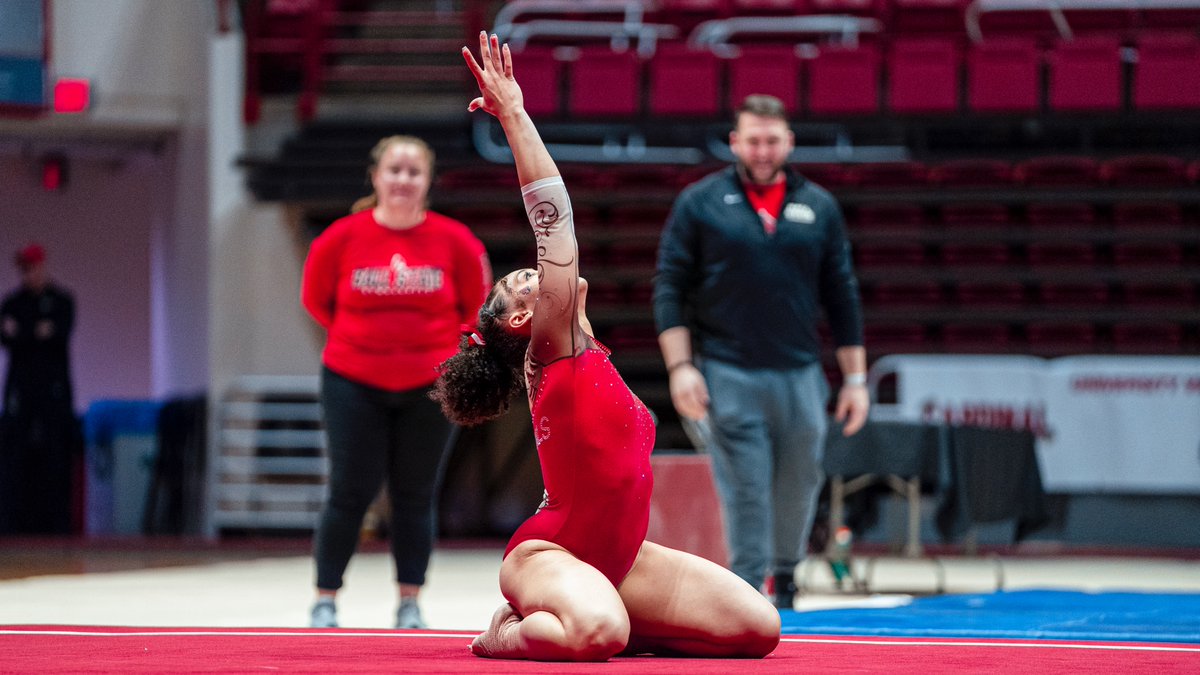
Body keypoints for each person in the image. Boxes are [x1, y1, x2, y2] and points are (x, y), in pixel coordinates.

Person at [429, 33, 780, 661]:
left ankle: (606, 608)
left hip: (623, 558)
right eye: (524, 283)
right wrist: (513, 113)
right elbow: (553, 218)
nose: (537, 274)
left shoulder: (586, 353)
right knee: (597, 636)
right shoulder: (550, 348)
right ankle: (503, 631)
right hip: (549, 555)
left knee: (758, 629)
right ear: (523, 322)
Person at [653, 94, 870, 609]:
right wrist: (681, 368)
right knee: (745, 485)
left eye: (773, 140)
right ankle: (749, 587)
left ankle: (789, 577)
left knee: (800, 479)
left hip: (800, 371)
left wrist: (857, 381)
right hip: (729, 368)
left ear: (789, 141)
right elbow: (669, 288)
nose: (763, 150)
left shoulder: (818, 206)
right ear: (735, 142)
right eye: (753, 140)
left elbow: (842, 295)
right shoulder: (700, 203)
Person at [300, 133, 492, 629]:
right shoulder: (340, 238)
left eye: (413, 172)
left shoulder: (456, 241)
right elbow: (316, 302)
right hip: (352, 379)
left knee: (415, 493)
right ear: (376, 176)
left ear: (428, 181)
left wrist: (436, 353)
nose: (403, 180)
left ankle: (409, 601)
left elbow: (478, 309)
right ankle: (326, 599)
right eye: (394, 170)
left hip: (430, 385)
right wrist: (365, 343)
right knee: (348, 490)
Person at [0, 243, 78, 534]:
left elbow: (57, 334)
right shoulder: (12, 302)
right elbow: (8, 337)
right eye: (23, 269)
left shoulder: (61, 301)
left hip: (53, 394)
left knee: (55, 458)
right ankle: (11, 527)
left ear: (42, 266)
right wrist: (35, 332)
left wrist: (24, 332)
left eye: (31, 267)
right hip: (20, 393)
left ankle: (59, 527)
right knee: (14, 459)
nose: (27, 274)